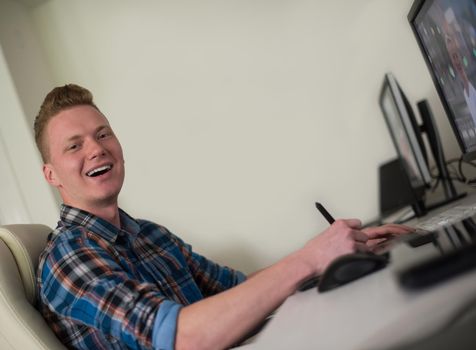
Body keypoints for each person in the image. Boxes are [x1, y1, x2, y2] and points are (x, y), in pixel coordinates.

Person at [34, 84, 413, 350]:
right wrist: (312, 257)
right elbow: (182, 338)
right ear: (51, 174)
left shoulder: (150, 235)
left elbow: (237, 291)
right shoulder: (67, 257)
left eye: (103, 135)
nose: (97, 149)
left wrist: (332, 256)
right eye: (74, 145)